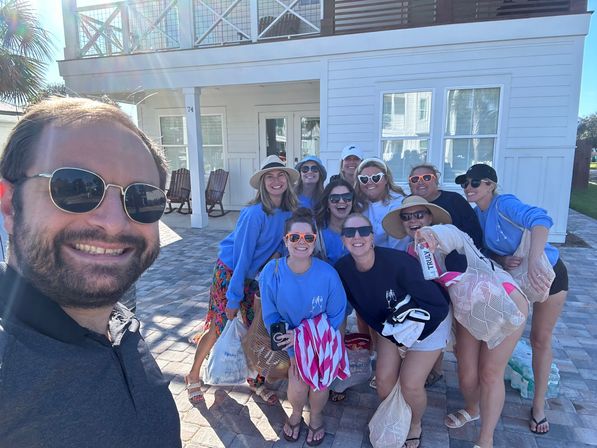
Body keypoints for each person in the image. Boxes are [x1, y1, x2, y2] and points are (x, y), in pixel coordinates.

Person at [0, 97, 181, 447]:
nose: (113, 223)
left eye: (141, 198)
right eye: (75, 187)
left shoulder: (122, 327)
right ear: (9, 205)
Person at [384, 195, 529, 448]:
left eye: (420, 215)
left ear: (430, 217)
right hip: (467, 310)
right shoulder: (411, 252)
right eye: (407, 217)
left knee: (490, 373)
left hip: (503, 303)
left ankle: (486, 440)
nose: (414, 221)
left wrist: (431, 235)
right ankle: (474, 409)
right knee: (467, 374)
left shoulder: (448, 233)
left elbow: (446, 237)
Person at [457, 163, 568, 436]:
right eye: (465, 183)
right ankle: (487, 398)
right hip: (518, 282)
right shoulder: (477, 214)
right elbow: (485, 252)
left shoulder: (503, 203)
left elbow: (541, 220)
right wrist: (502, 259)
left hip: (547, 273)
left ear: (490, 185)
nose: (469, 188)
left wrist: (532, 261)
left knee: (540, 338)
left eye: (475, 182)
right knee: (505, 337)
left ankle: (539, 406)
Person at [184, 155, 299, 404]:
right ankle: (193, 375)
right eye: (269, 176)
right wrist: (233, 297)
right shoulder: (254, 213)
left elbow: (279, 246)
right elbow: (243, 257)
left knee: (252, 327)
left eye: (281, 175)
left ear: (288, 181)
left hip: (255, 276)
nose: (276, 180)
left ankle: (254, 382)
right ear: (262, 183)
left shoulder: (289, 212)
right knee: (221, 324)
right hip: (231, 272)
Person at [335, 213, 450, 448]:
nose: (357, 237)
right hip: (393, 327)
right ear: (343, 240)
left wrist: (409, 342)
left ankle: (415, 423)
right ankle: (397, 416)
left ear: (372, 237)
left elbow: (438, 306)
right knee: (384, 381)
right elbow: (344, 306)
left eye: (363, 231)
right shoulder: (343, 269)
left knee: (410, 384)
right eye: (349, 232)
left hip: (430, 321)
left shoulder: (399, 264)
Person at [259, 208, 347, 446]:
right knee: (297, 381)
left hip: (321, 340)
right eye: (294, 237)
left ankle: (316, 416)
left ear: (315, 241)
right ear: (285, 240)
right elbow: (271, 313)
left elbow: (336, 314)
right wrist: (293, 347)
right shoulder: (272, 271)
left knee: (319, 382)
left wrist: (307, 341)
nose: (301, 242)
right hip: (288, 340)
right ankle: (296, 413)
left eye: (308, 237)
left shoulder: (328, 274)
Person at [408, 163, 483, 386]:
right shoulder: (411, 207)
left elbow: (474, 236)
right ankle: (436, 369)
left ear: (436, 179)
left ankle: (470, 379)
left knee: (464, 333)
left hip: (459, 274)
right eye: (415, 179)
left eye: (426, 177)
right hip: (429, 274)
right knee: (436, 319)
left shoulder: (454, 201)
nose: (421, 182)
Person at [354, 158, 407, 250]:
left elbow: (398, 247)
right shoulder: (357, 204)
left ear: (386, 179)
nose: (370, 182)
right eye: (364, 179)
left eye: (376, 178)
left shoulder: (398, 205)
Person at [313, 178, 358, 265]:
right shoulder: (315, 230)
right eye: (335, 198)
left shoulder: (361, 227)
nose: (341, 201)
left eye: (347, 197)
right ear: (327, 203)